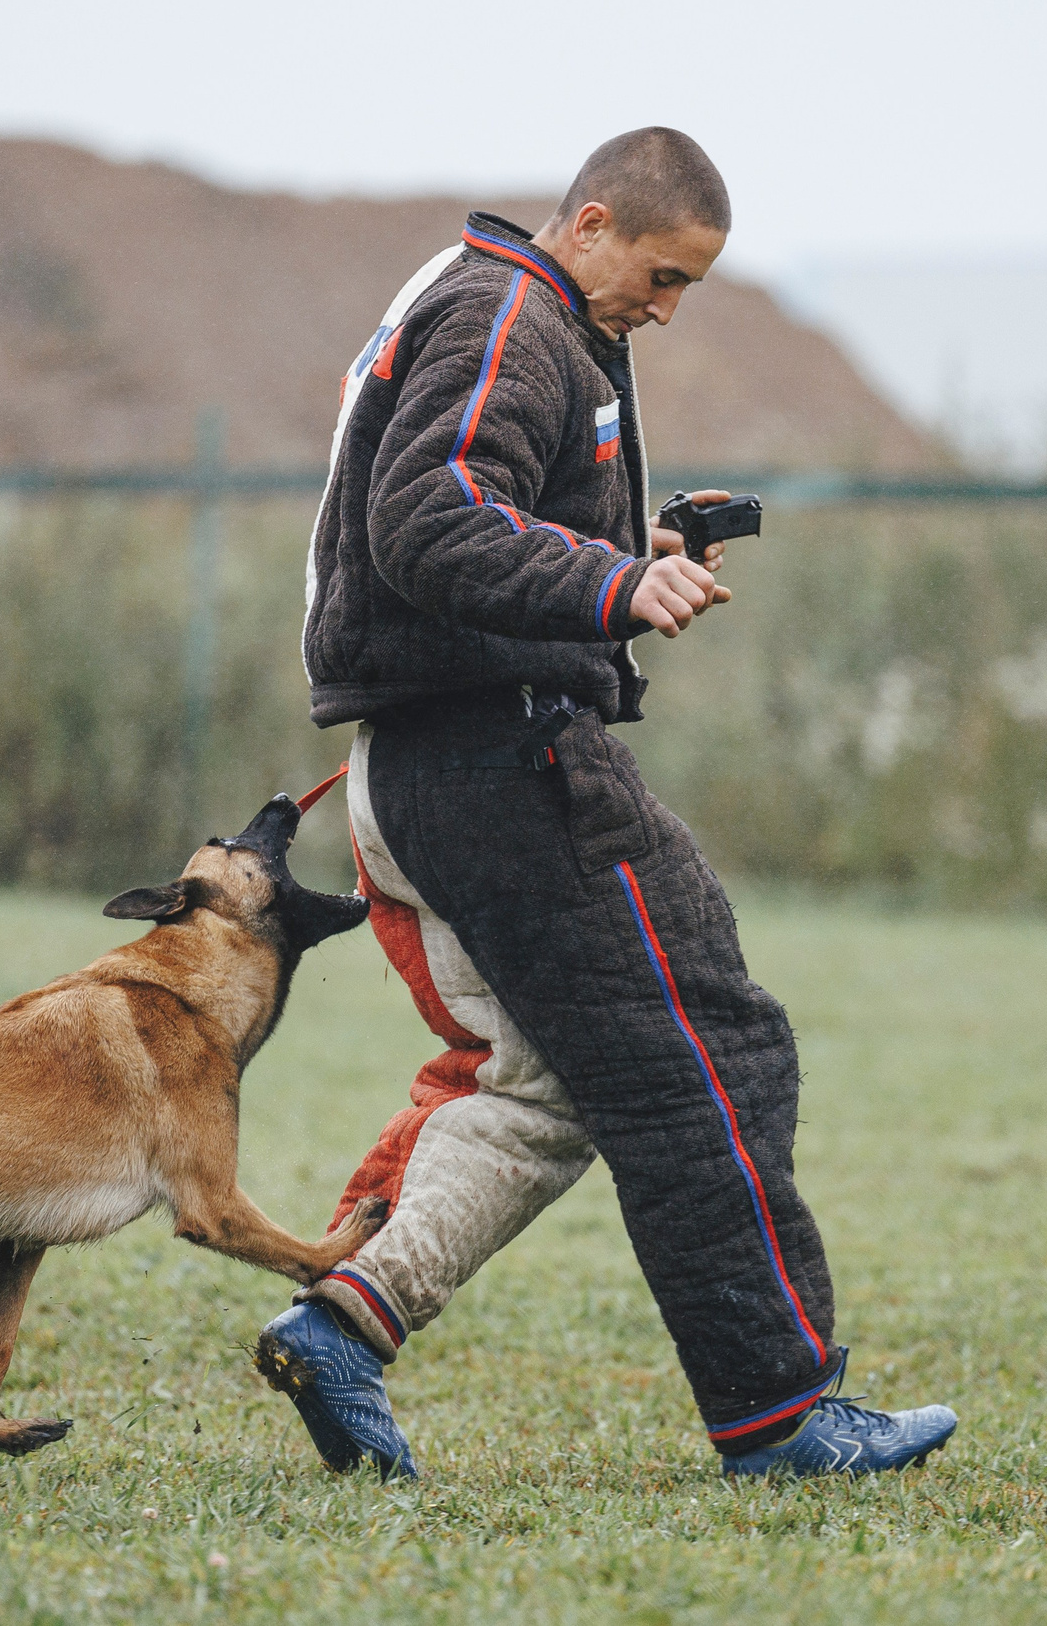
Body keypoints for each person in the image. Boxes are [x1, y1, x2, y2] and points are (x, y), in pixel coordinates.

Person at [252, 128, 957, 1481]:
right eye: (663, 274)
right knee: (711, 1050)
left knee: (546, 1084)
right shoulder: (512, 318)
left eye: (690, 286)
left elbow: (467, 518)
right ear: (590, 224)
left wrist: (633, 544)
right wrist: (613, 585)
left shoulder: (487, 301)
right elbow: (432, 519)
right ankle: (783, 1417)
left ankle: (343, 1325)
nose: (668, 308)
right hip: (503, 759)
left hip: (426, 760)